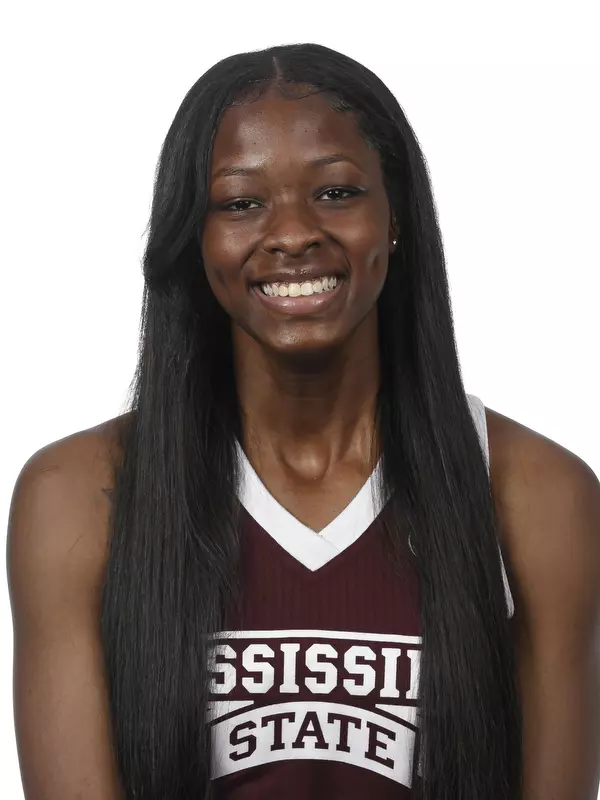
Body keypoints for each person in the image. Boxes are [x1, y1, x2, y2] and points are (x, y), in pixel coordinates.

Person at [6, 42, 600, 800]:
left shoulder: (536, 493)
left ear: (397, 220)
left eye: (337, 193)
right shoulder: (77, 496)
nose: (292, 234)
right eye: (241, 202)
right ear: (196, 238)